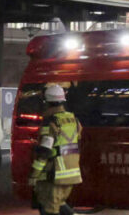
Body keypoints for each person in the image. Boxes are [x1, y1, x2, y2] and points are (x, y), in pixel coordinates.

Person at [29, 85, 82, 215]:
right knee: (60, 205)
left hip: (54, 175)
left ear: (47, 102)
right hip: (71, 174)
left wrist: (34, 174)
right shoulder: (74, 120)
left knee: (50, 209)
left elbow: (45, 152)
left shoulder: (51, 122)